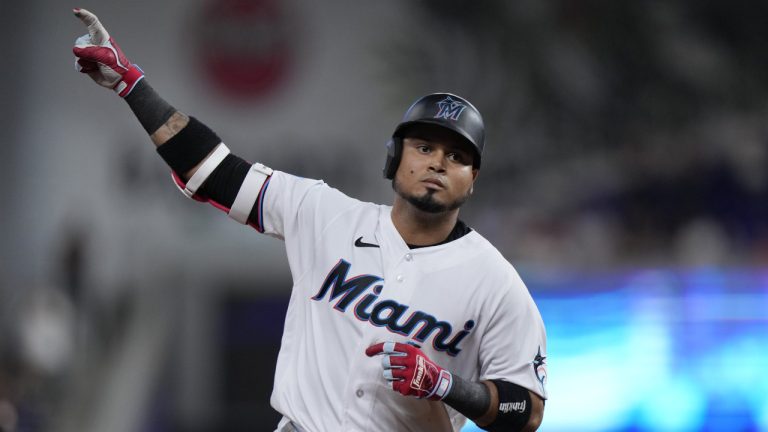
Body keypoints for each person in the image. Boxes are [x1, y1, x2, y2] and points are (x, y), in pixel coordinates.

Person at [71, 8, 548, 432]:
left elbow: (526, 410)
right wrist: (130, 84)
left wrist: (447, 385)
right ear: (395, 158)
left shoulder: (494, 281)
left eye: (457, 156)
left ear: (473, 179)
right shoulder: (323, 214)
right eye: (424, 147)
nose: (438, 163)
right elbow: (212, 170)